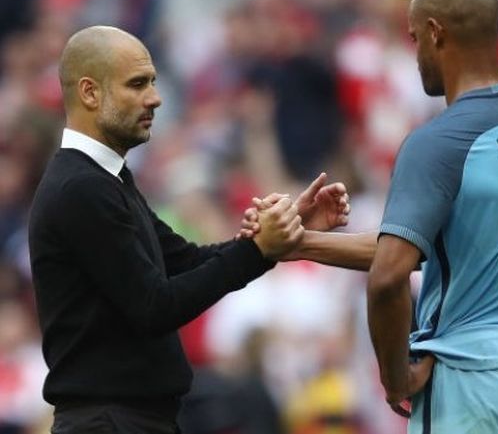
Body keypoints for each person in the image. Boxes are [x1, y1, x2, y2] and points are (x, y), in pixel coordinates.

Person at [243, 0, 498, 433]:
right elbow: (434, 250)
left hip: (473, 375)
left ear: (437, 33)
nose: (416, 52)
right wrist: (300, 243)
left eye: (416, 37)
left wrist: (395, 376)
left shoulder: (438, 142)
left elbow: (389, 275)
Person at [28, 25, 349, 434]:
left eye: (153, 83)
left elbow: (184, 261)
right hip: (109, 422)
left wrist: (280, 233)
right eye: (137, 84)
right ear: (90, 93)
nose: (155, 98)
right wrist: (258, 251)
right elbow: (155, 306)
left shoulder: (104, 179)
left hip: (129, 419)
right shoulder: (81, 187)